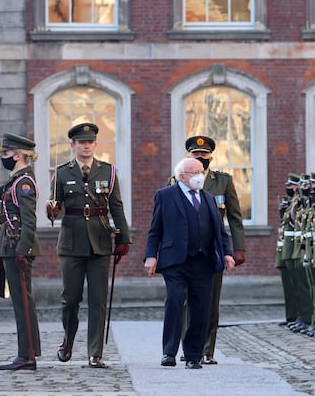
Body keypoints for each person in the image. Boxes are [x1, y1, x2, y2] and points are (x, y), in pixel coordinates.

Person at [47, 121, 132, 368]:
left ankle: (95, 353)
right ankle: (68, 340)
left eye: (90, 142)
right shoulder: (62, 173)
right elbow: (55, 209)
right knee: (70, 298)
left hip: (100, 242)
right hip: (71, 243)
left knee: (98, 299)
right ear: (73, 145)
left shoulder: (108, 172)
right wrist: (51, 210)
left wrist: (124, 237)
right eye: (81, 143)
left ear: (95, 144)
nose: (86, 146)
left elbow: (116, 207)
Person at [145, 158, 236, 369]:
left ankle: (193, 354)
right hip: (175, 261)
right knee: (175, 300)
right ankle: (169, 351)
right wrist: (151, 255)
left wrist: (227, 254)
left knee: (201, 307)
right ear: (182, 176)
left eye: (201, 172)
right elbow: (155, 230)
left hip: (203, 262)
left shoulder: (209, 199)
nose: (199, 176)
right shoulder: (165, 196)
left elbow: (220, 232)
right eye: (194, 172)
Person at [173, 135, 246, 365]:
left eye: (204, 155)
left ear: (211, 158)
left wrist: (239, 247)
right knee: (185, 302)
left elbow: (234, 217)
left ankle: (207, 349)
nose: (200, 159)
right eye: (196, 155)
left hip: (212, 249)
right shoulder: (177, 179)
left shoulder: (222, 182)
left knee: (210, 302)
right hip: (184, 250)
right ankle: (189, 347)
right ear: (189, 156)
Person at [0, 134, 42, 371]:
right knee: (21, 302)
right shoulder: (14, 181)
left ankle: (27, 354)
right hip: (10, 246)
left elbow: (29, 221)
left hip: (17, 247)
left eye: (5, 154)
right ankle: (27, 352)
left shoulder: (24, 183)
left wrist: (23, 251)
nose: (3, 158)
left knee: (23, 302)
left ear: (18, 155)